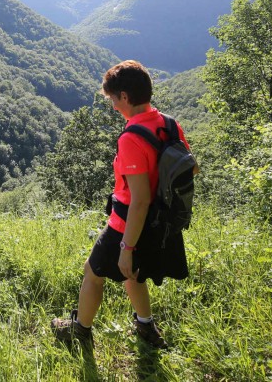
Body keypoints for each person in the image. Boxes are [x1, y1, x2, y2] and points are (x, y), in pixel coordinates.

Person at [51, 60, 193, 353]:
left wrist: (126, 247)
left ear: (125, 96)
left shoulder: (131, 138)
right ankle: (144, 324)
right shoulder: (169, 124)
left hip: (127, 223)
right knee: (134, 274)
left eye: (113, 100)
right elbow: (191, 169)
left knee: (92, 272)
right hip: (160, 220)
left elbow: (139, 200)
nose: (113, 106)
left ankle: (80, 332)